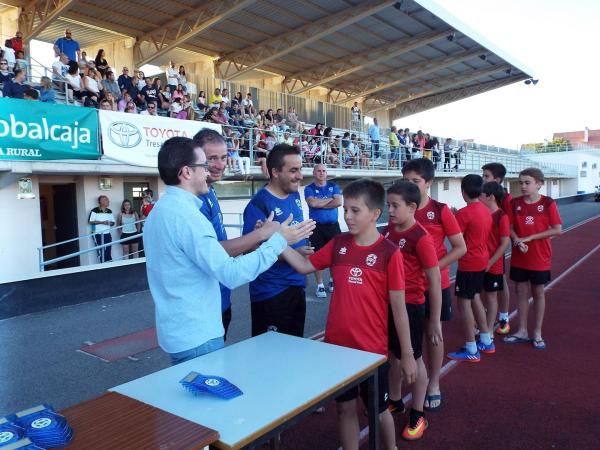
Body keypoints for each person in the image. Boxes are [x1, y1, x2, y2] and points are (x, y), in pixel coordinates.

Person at [143, 137, 315, 364]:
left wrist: (262, 237)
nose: (209, 172)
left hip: (180, 332)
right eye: (204, 165)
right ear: (186, 172)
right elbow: (230, 273)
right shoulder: (187, 217)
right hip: (198, 335)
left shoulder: (160, 210)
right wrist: (277, 240)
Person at [280, 178, 417, 450]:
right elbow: (304, 266)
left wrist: (409, 355)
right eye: (346, 210)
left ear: (375, 214)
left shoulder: (389, 253)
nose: (347, 216)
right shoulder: (338, 243)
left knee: (378, 410)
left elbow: (399, 309)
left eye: (355, 210)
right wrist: (277, 243)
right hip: (337, 350)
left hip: (372, 353)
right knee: (344, 410)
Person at [194, 129, 283, 339]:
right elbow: (214, 252)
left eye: (224, 157)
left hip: (221, 297)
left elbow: (222, 247)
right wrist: (261, 236)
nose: (219, 164)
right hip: (207, 304)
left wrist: (253, 238)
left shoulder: (210, 191)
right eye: (212, 158)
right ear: (196, 160)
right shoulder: (194, 201)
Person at [402, 158, 466, 410]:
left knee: (433, 333)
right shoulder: (400, 208)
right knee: (404, 336)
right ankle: (407, 383)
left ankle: (434, 382)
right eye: (406, 181)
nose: (410, 185)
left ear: (428, 182)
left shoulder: (440, 210)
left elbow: (460, 248)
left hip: (433, 285)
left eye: (415, 181)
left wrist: (433, 268)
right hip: (405, 286)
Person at [384, 181, 442, 441]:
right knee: (392, 356)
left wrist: (435, 320)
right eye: (388, 205)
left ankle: (418, 413)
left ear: (412, 207)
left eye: (395, 206)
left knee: (414, 360)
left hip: (411, 306)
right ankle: (395, 400)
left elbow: (435, 280)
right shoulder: (389, 230)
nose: (390, 210)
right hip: (389, 303)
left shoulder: (421, 237)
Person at [242, 144, 310, 337]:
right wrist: (294, 254)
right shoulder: (259, 205)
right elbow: (250, 253)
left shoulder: (295, 194)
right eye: (293, 170)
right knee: (271, 360)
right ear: (275, 172)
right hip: (271, 293)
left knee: (295, 352)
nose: (300, 176)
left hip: (297, 285)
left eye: (300, 169)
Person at [504, 168, 562, 349]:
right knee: (520, 292)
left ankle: (537, 332)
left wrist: (530, 238)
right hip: (520, 257)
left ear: (539, 184)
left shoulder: (547, 203)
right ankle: (521, 330)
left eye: (527, 183)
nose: (523, 186)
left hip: (540, 257)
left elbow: (557, 229)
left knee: (538, 293)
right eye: (520, 183)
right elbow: (510, 227)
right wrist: (516, 238)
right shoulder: (514, 203)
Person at [447, 174, 493, 362]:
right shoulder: (485, 210)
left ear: (463, 191)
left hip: (469, 262)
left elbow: (455, 236)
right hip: (482, 259)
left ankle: (471, 348)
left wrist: (452, 216)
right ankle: (485, 339)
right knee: (474, 297)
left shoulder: (464, 214)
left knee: (464, 303)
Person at [482, 162, 513, 334]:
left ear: (498, 179)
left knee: (500, 282)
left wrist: (518, 240)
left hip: (496, 248)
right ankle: (488, 316)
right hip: (485, 248)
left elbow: (508, 224)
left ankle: (503, 316)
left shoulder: (505, 199)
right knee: (485, 288)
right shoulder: (483, 196)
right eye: (483, 176)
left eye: (486, 176)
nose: (483, 179)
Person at [303, 164, 342, 298]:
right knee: (317, 255)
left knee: (335, 255)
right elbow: (312, 203)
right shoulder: (309, 188)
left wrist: (321, 203)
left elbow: (338, 202)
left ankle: (332, 281)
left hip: (333, 227)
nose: (321, 173)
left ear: (326, 173)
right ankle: (320, 285)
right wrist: (330, 200)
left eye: (324, 171)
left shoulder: (334, 186)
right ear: (314, 173)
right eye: (319, 171)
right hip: (316, 227)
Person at [89, 195, 115, 263]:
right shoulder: (94, 210)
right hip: (97, 234)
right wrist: (102, 222)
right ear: (101, 201)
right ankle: (102, 266)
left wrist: (110, 223)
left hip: (107, 233)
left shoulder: (109, 211)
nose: (108, 201)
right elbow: (90, 221)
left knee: (108, 250)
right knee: (100, 251)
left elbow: (113, 223)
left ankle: (109, 265)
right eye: (106, 200)